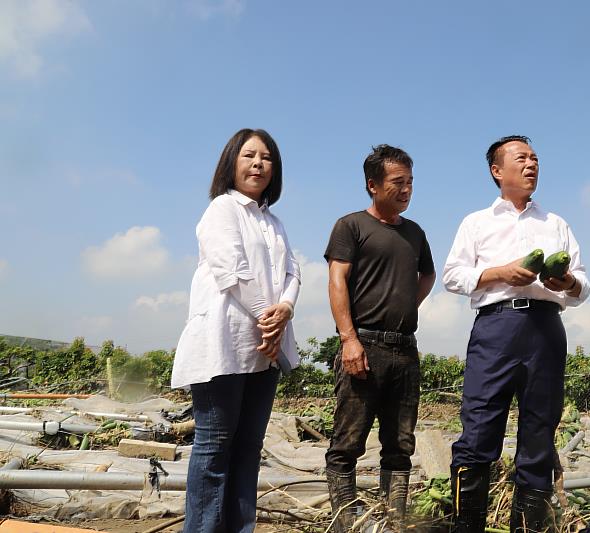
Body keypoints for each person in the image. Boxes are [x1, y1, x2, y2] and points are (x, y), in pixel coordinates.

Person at [442, 135, 590, 533]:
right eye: (521, 158)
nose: (531, 164)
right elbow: (453, 277)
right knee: (478, 430)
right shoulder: (476, 222)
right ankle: (466, 527)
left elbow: (584, 285)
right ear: (497, 170)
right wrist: (499, 273)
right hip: (496, 327)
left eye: (535, 158)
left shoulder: (556, 223)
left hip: (546, 329)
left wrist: (568, 283)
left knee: (539, 434)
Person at [171, 128, 301, 533]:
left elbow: (293, 272)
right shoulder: (221, 210)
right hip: (224, 344)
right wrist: (269, 318)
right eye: (249, 155)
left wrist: (286, 309)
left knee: (248, 449)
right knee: (213, 449)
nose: (258, 163)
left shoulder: (274, 222)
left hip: (265, 350)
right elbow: (232, 272)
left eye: (266, 157)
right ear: (231, 163)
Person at [324, 144, 436, 532]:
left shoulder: (415, 233)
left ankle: (393, 523)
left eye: (410, 182)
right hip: (364, 347)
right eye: (397, 182)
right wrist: (349, 339)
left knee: (400, 445)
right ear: (373, 185)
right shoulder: (351, 226)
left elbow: (427, 276)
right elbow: (337, 279)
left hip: (405, 350)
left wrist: (405, 305)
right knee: (347, 444)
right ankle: (345, 525)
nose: (406, 190)